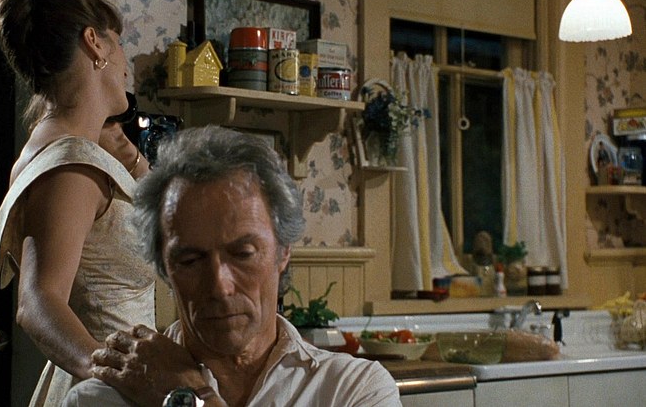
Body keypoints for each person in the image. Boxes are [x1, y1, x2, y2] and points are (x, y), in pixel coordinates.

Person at [63, 126, 401, 406]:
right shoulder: (102, 399)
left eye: (243, 254)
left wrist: (186, 396)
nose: (220, 286)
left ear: (283, 252)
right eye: (190, 260)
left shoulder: (352, 389)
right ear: (164, 268)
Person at [0, 0, 154, 406]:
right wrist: (114, 376)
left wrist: (131, 159)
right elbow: (37, 301)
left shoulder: (70, 150)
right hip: (107, 392)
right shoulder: (72, 165)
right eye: (118, 42)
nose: (125, 62)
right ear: (94, 43)